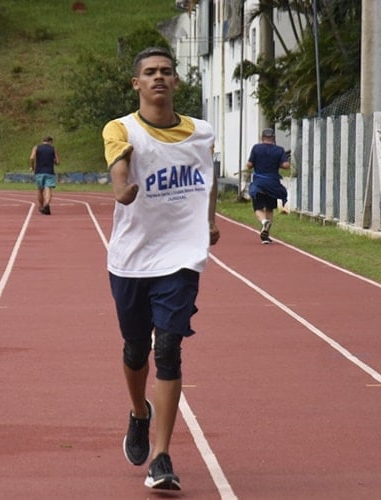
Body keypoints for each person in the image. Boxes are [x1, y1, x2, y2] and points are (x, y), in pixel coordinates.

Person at [102, 46, 220, 491]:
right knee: (136, 349)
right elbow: (119, 166)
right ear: (137, 83)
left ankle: (161, 456)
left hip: (181, 257)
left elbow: (207, 179)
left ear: (176, 81)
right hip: (132, 259)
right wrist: (123, 189)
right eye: (149, 72)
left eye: (166, 72)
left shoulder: (202, 132)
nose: (158, 78)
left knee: (168, 348)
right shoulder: (121, 128)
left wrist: (208, 222)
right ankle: (139, 413)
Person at [245, 128, 290, 243]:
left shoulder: (256, 148)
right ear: (273, 138)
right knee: (270, 208)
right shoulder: (279, 150)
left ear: (262, 138)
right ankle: (266, 235)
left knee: (258, 207)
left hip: (259, 183)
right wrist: (276, 164)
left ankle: (264, 222)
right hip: (272, 183)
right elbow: (286, 165)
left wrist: (252, 165)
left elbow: (249, 164)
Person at [29, 136, 60, 214]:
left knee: (40, 189)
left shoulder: (36, 147)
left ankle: (41, 206)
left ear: (43, 141)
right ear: (50, 142)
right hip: (49, 172)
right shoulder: (53, 149)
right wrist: (53, 160)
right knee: (48, 189)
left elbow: (32, 158)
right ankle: (47, 204)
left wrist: (32, 167)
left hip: (39, 171)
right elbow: (58, 162)